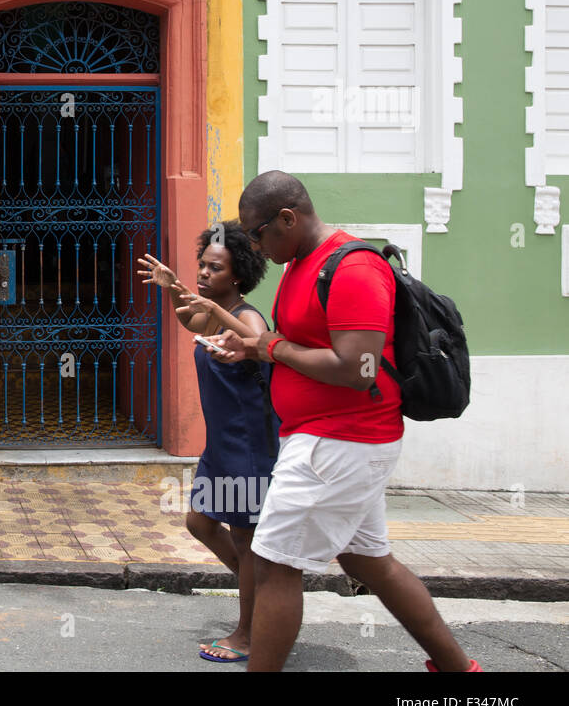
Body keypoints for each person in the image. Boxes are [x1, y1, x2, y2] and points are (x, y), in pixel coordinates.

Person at [209, 170, 479, 673]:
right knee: (367, 562)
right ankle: (458, 670)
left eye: (257, 232)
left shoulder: (351, 267)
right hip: (327, 442)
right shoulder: (299, 264)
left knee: (273, 565)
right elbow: (297, 348)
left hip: (338, 442)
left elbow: (358, 369)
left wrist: (272, 348)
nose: (254, 244)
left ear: (287, 218)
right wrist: (253, 348)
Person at [137, 221, 277, 664]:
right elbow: (187, 319)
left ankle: (249, 633)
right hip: (221, 445)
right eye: (201, 264)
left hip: (248, 444)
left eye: (213, 268)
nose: (203, 273)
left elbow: (260, 343)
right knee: (200, 523)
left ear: (236, 275)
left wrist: (215, 311)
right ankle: (265, 595)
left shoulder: (246, 314)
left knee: (245, 538)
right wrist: (173, 287)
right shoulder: (211, 304)